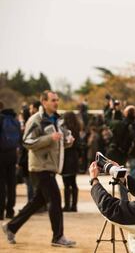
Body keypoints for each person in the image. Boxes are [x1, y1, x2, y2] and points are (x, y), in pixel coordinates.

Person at [2, 90, 76, 247]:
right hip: (40, 167)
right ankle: (58, 237)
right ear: (44, 102)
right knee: (55, 200)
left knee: (37, 202)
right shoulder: (36, 120)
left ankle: (11, 226)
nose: (56, 102)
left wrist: (69, 140)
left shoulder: (57, 119)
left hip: (50, 166)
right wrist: (49, 138)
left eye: (57, 100)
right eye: (53, 100)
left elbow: (61, 139)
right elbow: (27, 142)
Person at [0, 103, 20, 220]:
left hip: (1, 154)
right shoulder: (15, 122)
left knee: (1, 184)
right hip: (13, 154)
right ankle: (10, 211)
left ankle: (0, 211)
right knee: (11, 183)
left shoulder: (1, 119)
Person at [61, 111, 81, 212]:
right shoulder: (77, 129)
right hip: (74, 157)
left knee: (66, 184)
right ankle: (74, 205)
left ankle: (67, 205)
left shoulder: (64, 130)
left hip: (66, 157)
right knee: (73, 183)